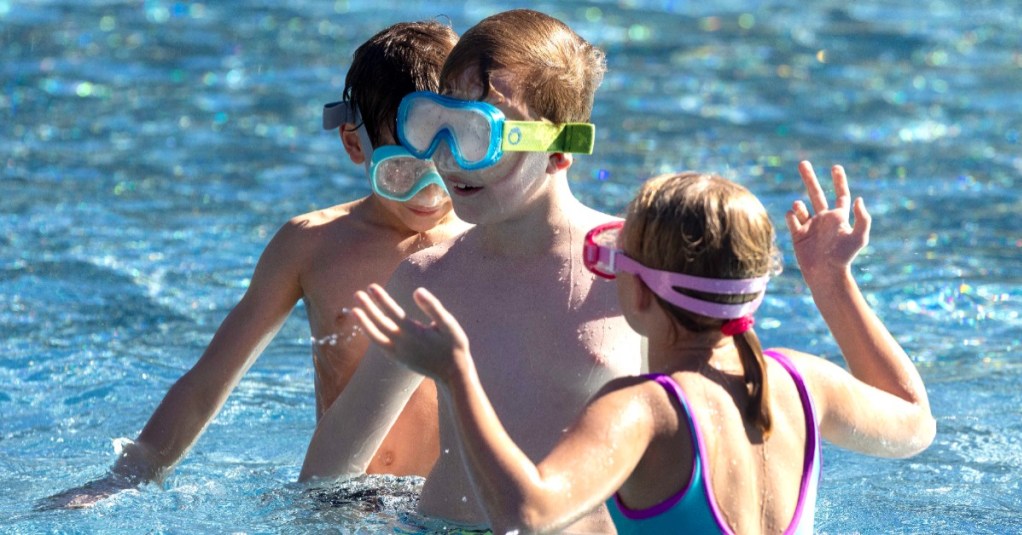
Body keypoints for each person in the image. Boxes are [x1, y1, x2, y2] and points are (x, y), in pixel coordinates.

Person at [352, 162, 937, 534]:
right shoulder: (804, 383)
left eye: (608, 260)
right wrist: (834, 284)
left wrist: (458, 375)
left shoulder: (642, 411)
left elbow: (525, 513)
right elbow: (915, 425)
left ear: (635, 286)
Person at [42, 20, 470, 509]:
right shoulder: (313, 246)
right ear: (356, 145)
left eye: (448, 168)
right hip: (342, 500)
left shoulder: (486, 243)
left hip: (447, 503)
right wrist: (127, 475)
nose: (432, 193)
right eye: (403, 173)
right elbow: (209, 380)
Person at [299, 9, 642, 534]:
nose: (447, 157)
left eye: (475, 135)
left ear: (559, 150)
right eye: (435, 126)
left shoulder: (635, 269)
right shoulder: (428, 280)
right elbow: (332, 468)